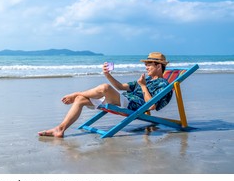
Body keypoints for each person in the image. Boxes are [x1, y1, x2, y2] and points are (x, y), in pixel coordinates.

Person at [38, 52, 172, 138]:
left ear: (159, 66)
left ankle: (75, 93)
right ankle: (60, 129)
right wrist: (108, 75)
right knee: (80, 99)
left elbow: (152, 105)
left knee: (104, 88)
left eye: (149, 65)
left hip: (133, 106)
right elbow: (120, 87)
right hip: (123, 100)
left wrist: (142, 86)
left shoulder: (163, 84)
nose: (146, 67)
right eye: (146, 65)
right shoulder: (146, 79)